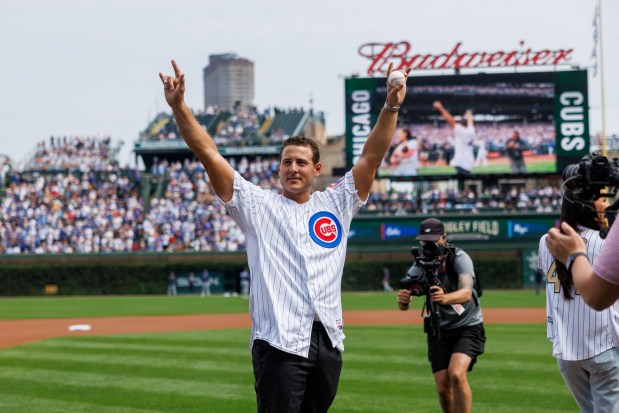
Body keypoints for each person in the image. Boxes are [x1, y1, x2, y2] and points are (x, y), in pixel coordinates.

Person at [160, 59, 409, 413]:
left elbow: (372, 154)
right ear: (278, 168)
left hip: (328, 342)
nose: (293, 168)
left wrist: (391, 105)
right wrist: (179, 106)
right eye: (287, 162)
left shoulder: (336, 203)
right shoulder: (257, 206)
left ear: (316, 169)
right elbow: (208, 153)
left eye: (301, 162)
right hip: (279, 345)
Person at [539, 189, 619, 412]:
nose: (608, 204)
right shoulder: (606, 242)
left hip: (566, 350)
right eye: (603, 200)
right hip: (604, 344)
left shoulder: (546, 241)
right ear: (586, 205)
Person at [397, 218, 485, 413]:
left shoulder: (459, 257)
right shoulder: (421, 263)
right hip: (439, 329)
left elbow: (466, 293)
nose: (428, 244)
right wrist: (404, 300)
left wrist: (444, 299)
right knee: (443, 388)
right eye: (424, 240)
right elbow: (407, 298)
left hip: (468, 325)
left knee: (456, 374)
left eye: (433, 239)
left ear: (443, 237)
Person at [433, 101, 475, 178]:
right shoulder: (471, 131)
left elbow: (451, 120)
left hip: (460, 164)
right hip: (469, 165)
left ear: (461, 125)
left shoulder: (462, 131)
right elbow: (470, 123)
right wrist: (469, 115)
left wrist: (441, 108)